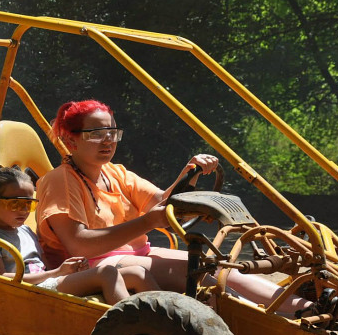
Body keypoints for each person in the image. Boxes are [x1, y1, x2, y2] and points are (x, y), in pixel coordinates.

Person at [35, 99, 317, 316]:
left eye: (112, 132)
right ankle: (280, 322)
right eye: (96, 133)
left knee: (219, 268)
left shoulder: (116, 173)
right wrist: (147, 222)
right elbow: (78, 246)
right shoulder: (60, 180)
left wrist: (190, 172)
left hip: (132, 254)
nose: (108, 141)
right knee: (198, 274)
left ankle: (313, 308)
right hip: (89, 265)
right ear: (71, 140)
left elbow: (163, 204)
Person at [0, 167, 160, 304]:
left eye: (29, 204)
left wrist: (71, 270)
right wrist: (57, 273)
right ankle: (133, 329)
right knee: (106, 273)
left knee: (137, 272)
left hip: (46, 283)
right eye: (16, 204)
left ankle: (168, 325)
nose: (24, 211)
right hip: (22, 293)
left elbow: (42, 264)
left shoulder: (24, 231)